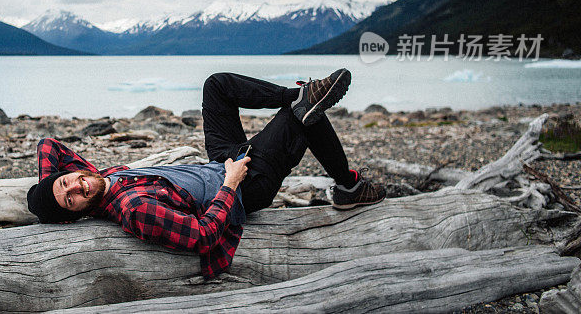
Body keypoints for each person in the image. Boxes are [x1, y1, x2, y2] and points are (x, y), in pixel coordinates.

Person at [27, 69, 385, 278]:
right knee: (299, 117)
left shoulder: (94, 178)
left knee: (216, 85)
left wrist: (48, 190)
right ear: (75, 215)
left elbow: (48, 145)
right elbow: (203, 236)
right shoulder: (132, 208)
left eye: (65, 182)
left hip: (221, 160)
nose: (76, 186)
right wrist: (231, 183)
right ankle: (349, 184)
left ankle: (300, 94)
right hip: (245, 184)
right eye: (70, 199)